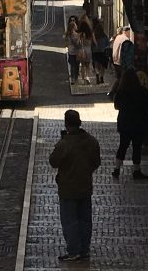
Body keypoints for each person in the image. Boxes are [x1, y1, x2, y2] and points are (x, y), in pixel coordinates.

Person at [49, 109, 101, 262]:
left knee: (70, 221)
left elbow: (53, 162)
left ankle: (73, 251)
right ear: (79, 123)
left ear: (66, 125)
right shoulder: (92, 141)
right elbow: (96, 162)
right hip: (85, 186)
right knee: (85, 219)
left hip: (68, 189)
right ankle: (84, 249)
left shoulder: (64, 144)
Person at [112, 68, 148, 180]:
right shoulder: (142, 91)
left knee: (123, 146)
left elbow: (116, 106)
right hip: (139, 123)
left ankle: (116, 169)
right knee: (137, 147)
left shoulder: (121, 92)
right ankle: (136, 170)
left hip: (125, 124)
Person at [108, 25, 131, 97]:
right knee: (121, 78)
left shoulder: (118, 37)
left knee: (119, 78)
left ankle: (115, 92)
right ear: (127, 32)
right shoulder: (125, 39)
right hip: (120, 62)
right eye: (129, 32)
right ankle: (113, 92)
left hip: (115, 61)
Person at [91, 17, 111, 85]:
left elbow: (91, 44)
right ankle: (101, 77)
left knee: (96, 65)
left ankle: (97, 74)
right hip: (103, 52)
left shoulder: (94, 35)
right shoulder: (104, 36)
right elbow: (108, 43)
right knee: (103, 66)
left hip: (95, 52)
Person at [77, 15, 94, 85]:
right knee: (87, 65)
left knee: (82, 65)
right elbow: (94, 42)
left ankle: (83, 79)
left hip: (82, 50)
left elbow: (78, 42)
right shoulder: (90, 33)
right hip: (89, 50)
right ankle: (88, 77)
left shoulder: (81, 34)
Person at [65, 16, 80, 85]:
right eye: (75, 25)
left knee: (72, 65)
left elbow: (65, 43)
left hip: (70, 51)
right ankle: (76, 78)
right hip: (76, 52)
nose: (76, 26)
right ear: (74, 27)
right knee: (76, 65)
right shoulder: (76, 35)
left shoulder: (68, 34)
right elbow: (77, 44)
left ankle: (72, 79)